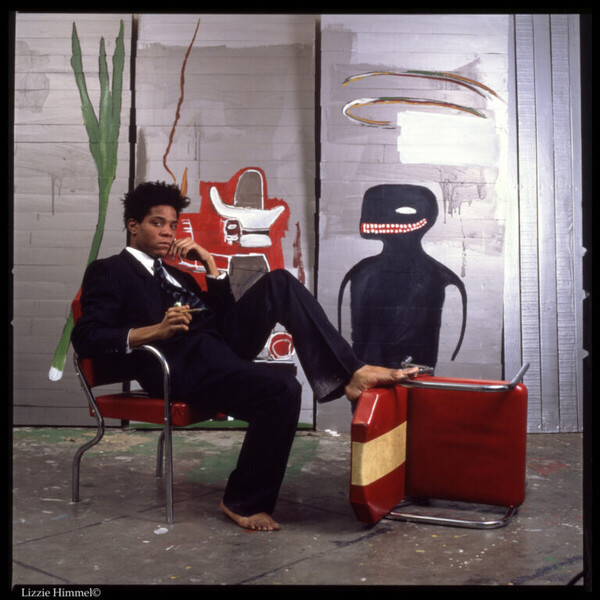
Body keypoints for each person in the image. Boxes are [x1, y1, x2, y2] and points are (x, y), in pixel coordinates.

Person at [71, 181, 418, 531]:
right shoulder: (110, 270)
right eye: (157, 223)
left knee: (280, 282)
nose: (168, 232)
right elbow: (87, 338)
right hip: (177, 365)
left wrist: (209, 265)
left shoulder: (178, 275)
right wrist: (155, 331)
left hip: (216, 348)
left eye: (173, 225)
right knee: (283, 388)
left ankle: (352, 372)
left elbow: (224, 318)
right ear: (133, 225)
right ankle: (242, 500)